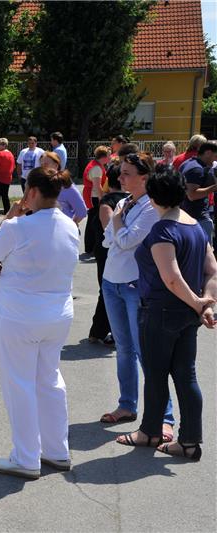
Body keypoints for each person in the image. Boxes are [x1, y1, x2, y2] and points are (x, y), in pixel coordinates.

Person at [0, 166, 80, 479]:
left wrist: (12, 216)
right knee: (50, 380)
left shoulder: (16, 227)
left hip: (20, 316)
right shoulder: (69, 226)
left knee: (20, 385)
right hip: (57, 315)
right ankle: (56, 450)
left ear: (33, 192)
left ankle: (26, 457)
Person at [115, 166, 217, 461]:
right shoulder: (194, 225)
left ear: (153, 195)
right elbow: (212, 268)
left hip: (161, 311)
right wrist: (205, 301)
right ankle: (188, 441)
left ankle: (150, 432)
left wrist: (200, 303)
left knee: (157, 375)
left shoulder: (163, 230)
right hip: (186, 314)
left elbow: (171, 277)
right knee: (186, 376)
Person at [100, 152, 176, 440]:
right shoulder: (123, 202)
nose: (120, 177)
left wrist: (119, 228)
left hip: (134, 284)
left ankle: (164, 417)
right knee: (123, 349)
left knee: (146, 352)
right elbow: (109, 240)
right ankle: (127, 405)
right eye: (121, 173)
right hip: (111, 282)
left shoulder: (149, 207)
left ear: (144, 177)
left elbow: (129, 240)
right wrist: (120, 229)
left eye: (127, 173)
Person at [88, 166, 128, 346]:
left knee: (107, 291)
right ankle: (100, 331)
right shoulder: (112, 202)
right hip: (110, 253)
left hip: (112, 253)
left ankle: (99, 331)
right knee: (108, 291)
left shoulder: (122, 200)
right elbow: (109, 231)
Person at [180, 141, 217, 240]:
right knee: (205, 253)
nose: (216, 159)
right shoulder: (196, 169)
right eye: (215, 155)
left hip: (188, 216)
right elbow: (192, 195)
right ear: (208, 153)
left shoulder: (189, 163)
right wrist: (214, 187)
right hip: (197, 218)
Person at [82, 146, 112, 254]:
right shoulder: (97, 168)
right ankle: (90, 247)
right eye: (109, 155)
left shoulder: (96, 165)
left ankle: (90, 247)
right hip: (94, 196)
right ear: (103, 157)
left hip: (93, 195)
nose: (110, 157)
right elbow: (97, 186)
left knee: (92, 221)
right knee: (93, 221)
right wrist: (102, 199)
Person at [43, 152, 85, 224]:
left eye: (45, 164)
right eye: (41, 164)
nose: (42, 167)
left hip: (62, 229)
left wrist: (71, 225)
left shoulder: (66, 186)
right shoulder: (40, 184)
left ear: (56, 165)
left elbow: (81, 211)